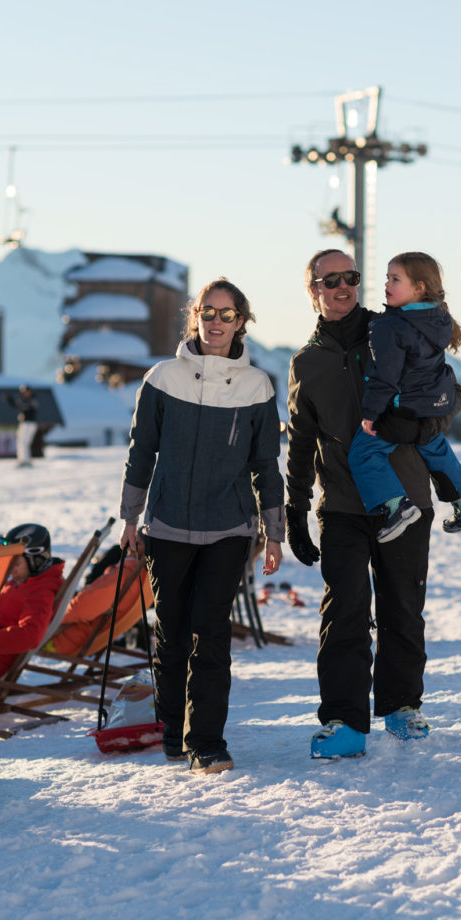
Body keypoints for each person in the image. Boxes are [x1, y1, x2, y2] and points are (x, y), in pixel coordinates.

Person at [286, 249, 461, 759]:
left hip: (405, 495)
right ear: (313, 291)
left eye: (351, 277)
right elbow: (300, 441)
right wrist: (296, 511)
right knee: (343, 611)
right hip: (342, 505)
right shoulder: (307, 363)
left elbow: (451, 391)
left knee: (402, 607)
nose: (342, 286)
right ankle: (344, 721)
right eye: (330, 280)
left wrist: (423, 424)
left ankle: (402, 707)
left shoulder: (393, 329)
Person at [119, 277, 284, 775]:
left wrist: (273, 533)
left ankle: (207, 742)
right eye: (208, 313)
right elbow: (141, 451)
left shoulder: (257, 386)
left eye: (226, 314)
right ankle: (173, 730)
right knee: (171, 631)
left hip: (229, 529)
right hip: (167, 525)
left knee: (209, 633)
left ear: (241, 322)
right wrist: (130, 517)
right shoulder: (162, 379)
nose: (216, 322)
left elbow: (266, 465)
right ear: (195, 318)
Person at [348, 252, 461, 542]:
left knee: (365, 451)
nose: (387, 284)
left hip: (405, 408)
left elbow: (385, 375)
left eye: (395, 279)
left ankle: (395, 505)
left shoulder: (388, 326)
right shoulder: (438, 317)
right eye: (387, 277)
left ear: (419, 287)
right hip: (434, 407)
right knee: (435, 446)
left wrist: (371, 413)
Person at [0, 524, 64, 697]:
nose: (11, 569)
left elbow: (30, 634)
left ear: (35, 559)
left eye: (15, 563)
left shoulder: (41, 591)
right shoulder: (26, 581)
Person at [44, 546, 151, 657]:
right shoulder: (148, 576)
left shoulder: (125, 575)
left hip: (60, 640)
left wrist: (49, 619)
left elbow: (81, 609)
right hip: (82, 635)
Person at [5, 385, 38, 467]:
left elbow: (24, 407)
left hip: (29, 423)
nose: (25, 393)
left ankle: (25, 460)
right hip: (24, 423)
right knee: (20, 441)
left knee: (24, 442)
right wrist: (10, 400)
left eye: (26, 391)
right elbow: (18, 405)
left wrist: (16, 402)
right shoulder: (24, 400)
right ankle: (22, 459)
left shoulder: (32, 400)